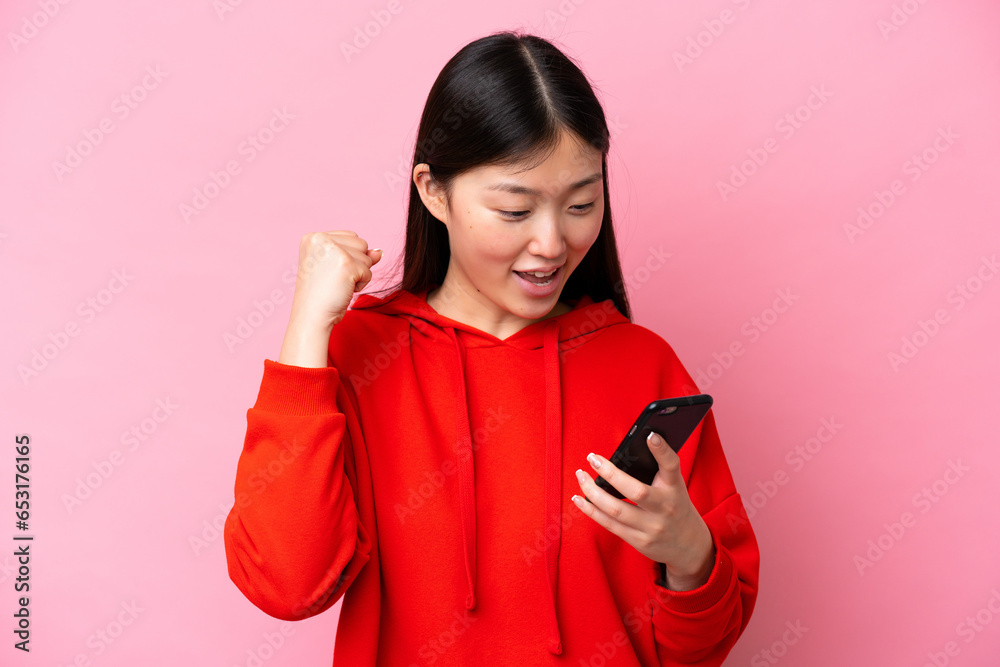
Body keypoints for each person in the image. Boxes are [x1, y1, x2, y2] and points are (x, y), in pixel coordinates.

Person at [224, 30, 759, 666]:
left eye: (581, 203)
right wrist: (306, 335)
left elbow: (698, 650)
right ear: (432, 190)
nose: (552, 242)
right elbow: (287, 585)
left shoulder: (644, 365)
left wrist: (688, 553)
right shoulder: (361, 355)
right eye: (514, 210)